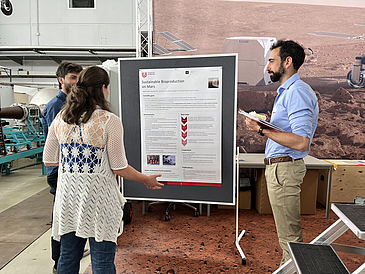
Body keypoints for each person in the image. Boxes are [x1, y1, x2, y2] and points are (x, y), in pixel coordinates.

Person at [43, 65, 164, 274]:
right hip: (99, 203)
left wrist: (74, 162)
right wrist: (146, 179)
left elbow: (49, 161)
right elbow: (119, 168)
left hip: (68, 201)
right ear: (103, 88)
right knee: (102, 262)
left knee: (68, 257)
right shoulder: (109, 121)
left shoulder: (61, 118)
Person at [245, 40, 319, 266]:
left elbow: (301, 142)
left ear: (288, 62)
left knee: (290, 238)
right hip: (280, 169)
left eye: (271, 61)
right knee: (287, 236)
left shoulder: (296, 92)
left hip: (285, 170)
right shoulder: (288, 92)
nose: (267, 67)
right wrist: (265, 124)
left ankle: (291, 270)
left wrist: (260, 129)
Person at [42, 61, 83, 274]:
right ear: (62, 80)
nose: (77, 82)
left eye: (79, 77)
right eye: (73, 78)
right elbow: (53, 148)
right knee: (61, 218)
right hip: (59, 171)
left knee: (70, 216)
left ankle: (66, 256)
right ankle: (58, 261)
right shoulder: (56, 107)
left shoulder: (74, 103)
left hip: (72, 171)